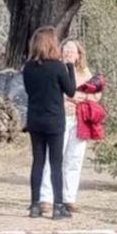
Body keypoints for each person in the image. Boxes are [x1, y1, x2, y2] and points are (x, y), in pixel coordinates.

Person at [40, 39, 102, 214]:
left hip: (80, 119)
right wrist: (69, 96)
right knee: (53, 157)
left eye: (72, 51)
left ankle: (69, 198)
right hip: (60, 118)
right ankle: (46, 198)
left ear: (79, 54)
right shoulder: (56, 69)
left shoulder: (85, 72)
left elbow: (96, 93)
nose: (68, 53)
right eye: (65, 50)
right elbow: (50, 91)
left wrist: (83, 97)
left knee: (75, 158)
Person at [22, 26, 76, 220]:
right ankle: (58, 206)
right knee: (55, 163)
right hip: (54, 120)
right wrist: (70, 67)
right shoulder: (57, 67)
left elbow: (28, 91)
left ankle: (35, 205)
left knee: (38, 161)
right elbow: (70, 91)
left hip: (35, 119)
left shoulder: (28, 67)